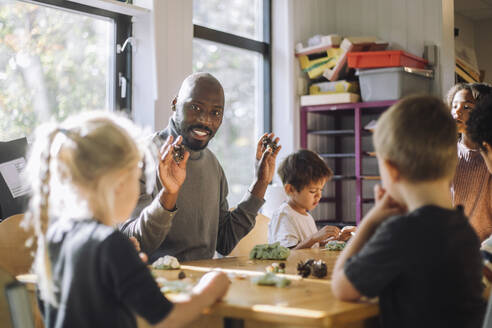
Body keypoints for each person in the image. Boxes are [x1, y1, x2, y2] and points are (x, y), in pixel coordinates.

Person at [24, 111, 230, 328]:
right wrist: (211, 287)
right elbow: (168, 318)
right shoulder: (110, 244)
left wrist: (126, 265)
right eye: (137, 177)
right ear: (120, 182)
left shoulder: (57, 237)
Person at [331, 96, 485, 327]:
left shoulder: (401, 232)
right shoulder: (464, 231)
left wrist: (371, 220)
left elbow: (341, 286)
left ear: (392, 170)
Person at [120, 72, 280, 262]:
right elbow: (133, 243)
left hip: (204, 281)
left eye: (216, 112)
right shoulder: (140, 157)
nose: (205, 120)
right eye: (195, 107)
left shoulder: (213, 164)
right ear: (175, 103)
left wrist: (260, 184)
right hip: (158, 284)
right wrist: (168, 196)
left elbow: (224, 241)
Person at [268, 149, 353, 249]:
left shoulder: (306, 215)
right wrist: (314, 238)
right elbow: (290, 252)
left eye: (321, 190)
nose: (319, 196)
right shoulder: (284, 215)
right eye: (313, 191)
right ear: (290, 189)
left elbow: (313, 247)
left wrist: (336, 240)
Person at [447, 82, 492, 241]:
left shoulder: (488, 156)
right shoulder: (446, 153)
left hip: (484, 255)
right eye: (454, 106)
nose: (457, 112)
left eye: (467, 108)